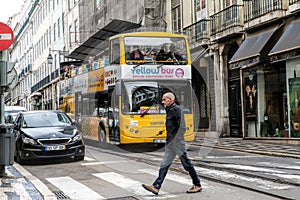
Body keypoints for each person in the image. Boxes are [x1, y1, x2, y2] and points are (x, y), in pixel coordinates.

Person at [142, 92, 202, 195]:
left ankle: (197, 184)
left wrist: (176, 140)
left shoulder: (176, 110)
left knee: (186, 164)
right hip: (170, 143)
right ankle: (156, 186)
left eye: (164, 100)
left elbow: (182, 127)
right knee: (164, 164)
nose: (162, 102)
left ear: (171, 100)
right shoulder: (169, 110)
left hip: (177, 143)